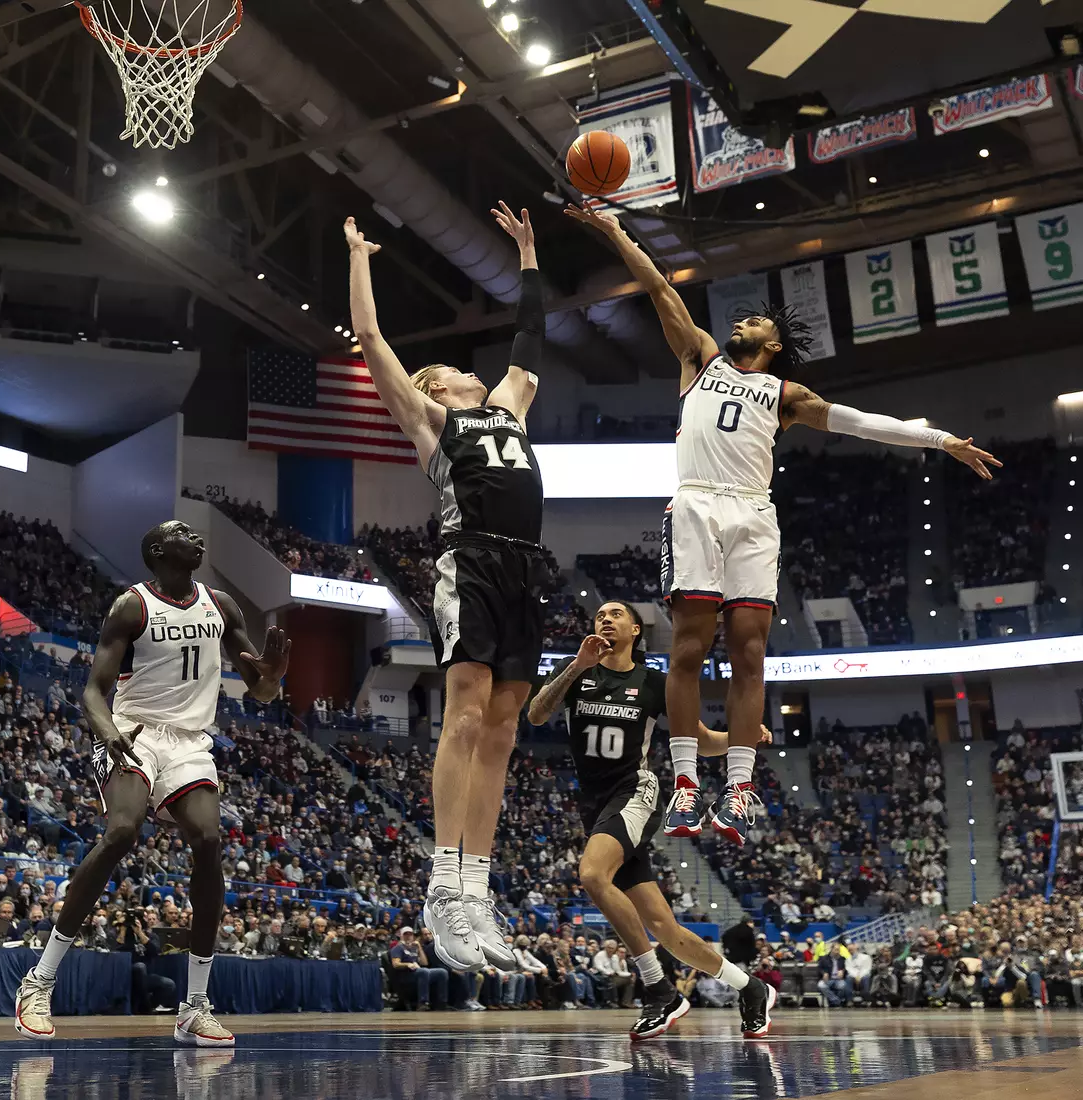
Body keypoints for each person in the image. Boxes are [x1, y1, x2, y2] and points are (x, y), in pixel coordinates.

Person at [566, 204, 998, 849]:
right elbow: (659, 287)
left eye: (753, 320)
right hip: (696, 504)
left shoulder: (787, 395)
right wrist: (613, 233)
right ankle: (686, 784)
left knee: (749, 651)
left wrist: (937, 440)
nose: (738, 320)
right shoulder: (700, 359)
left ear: (770, 346)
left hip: (753, 512)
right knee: (688, 649)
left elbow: (858, 421)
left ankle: (738, 790)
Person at [347, 204, 545, 975]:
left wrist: (528, 258)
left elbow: (530, 339)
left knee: (502, 733)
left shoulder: (508, 406)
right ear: (436, 385)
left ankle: (478, 893)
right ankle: (442, 889)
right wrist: (362, 257)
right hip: (471, 563)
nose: (472, 368)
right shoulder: (432, 419)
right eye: (456, 368)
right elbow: (371, 340)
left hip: (527, 567)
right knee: (464, 719)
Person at [13, 520, 290, 1047]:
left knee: (209, 840)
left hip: (188, 741)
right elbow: (93, 691)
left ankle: (195, 1006)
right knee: (122, 833)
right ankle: (38, 981)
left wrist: (273, 675)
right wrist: (108, 732)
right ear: (160, 550)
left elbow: (261, 692)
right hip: (131, 730)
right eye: (185, 532)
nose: (198, 536)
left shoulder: (221, 605)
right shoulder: (131, 607)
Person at [526, 600, 778, 1039]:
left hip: (634, 791)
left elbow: (700, 740)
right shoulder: (578, 672)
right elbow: (536, 713)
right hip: (595, 803)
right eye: (600, 615)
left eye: (616, 614)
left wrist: (742, 736)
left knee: (591, 874)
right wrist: (576, 666)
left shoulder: (653, 682)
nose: (605, 619)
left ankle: (659, 988)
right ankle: (750, 987)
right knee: (666, 928)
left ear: (636, 631)